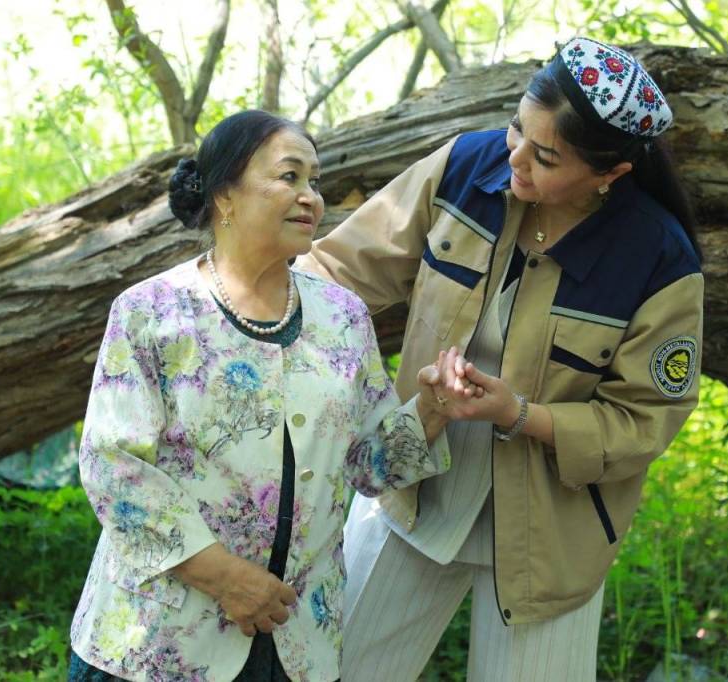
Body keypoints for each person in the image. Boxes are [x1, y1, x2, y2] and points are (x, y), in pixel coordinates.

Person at [295, 36, 704, 681]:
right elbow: (337, 271)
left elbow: (644, 422)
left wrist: (521, 415)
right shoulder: (465, 167)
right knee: (329, 670)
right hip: (414, 491)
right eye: (517, 129)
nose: (515, 158)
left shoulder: (659, 258)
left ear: (610, 174)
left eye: (544, 157)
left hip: (552, 538)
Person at [67, 109, 455, 682]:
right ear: (225, 196)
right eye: (289, 176)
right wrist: (225, 577)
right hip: (159, 643)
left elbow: (368, 467)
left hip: (295, 644)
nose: (311, 197)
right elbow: (113, 467)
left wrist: (433, 409)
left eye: (315, 182)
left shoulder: (342, 317)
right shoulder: (152, 311)